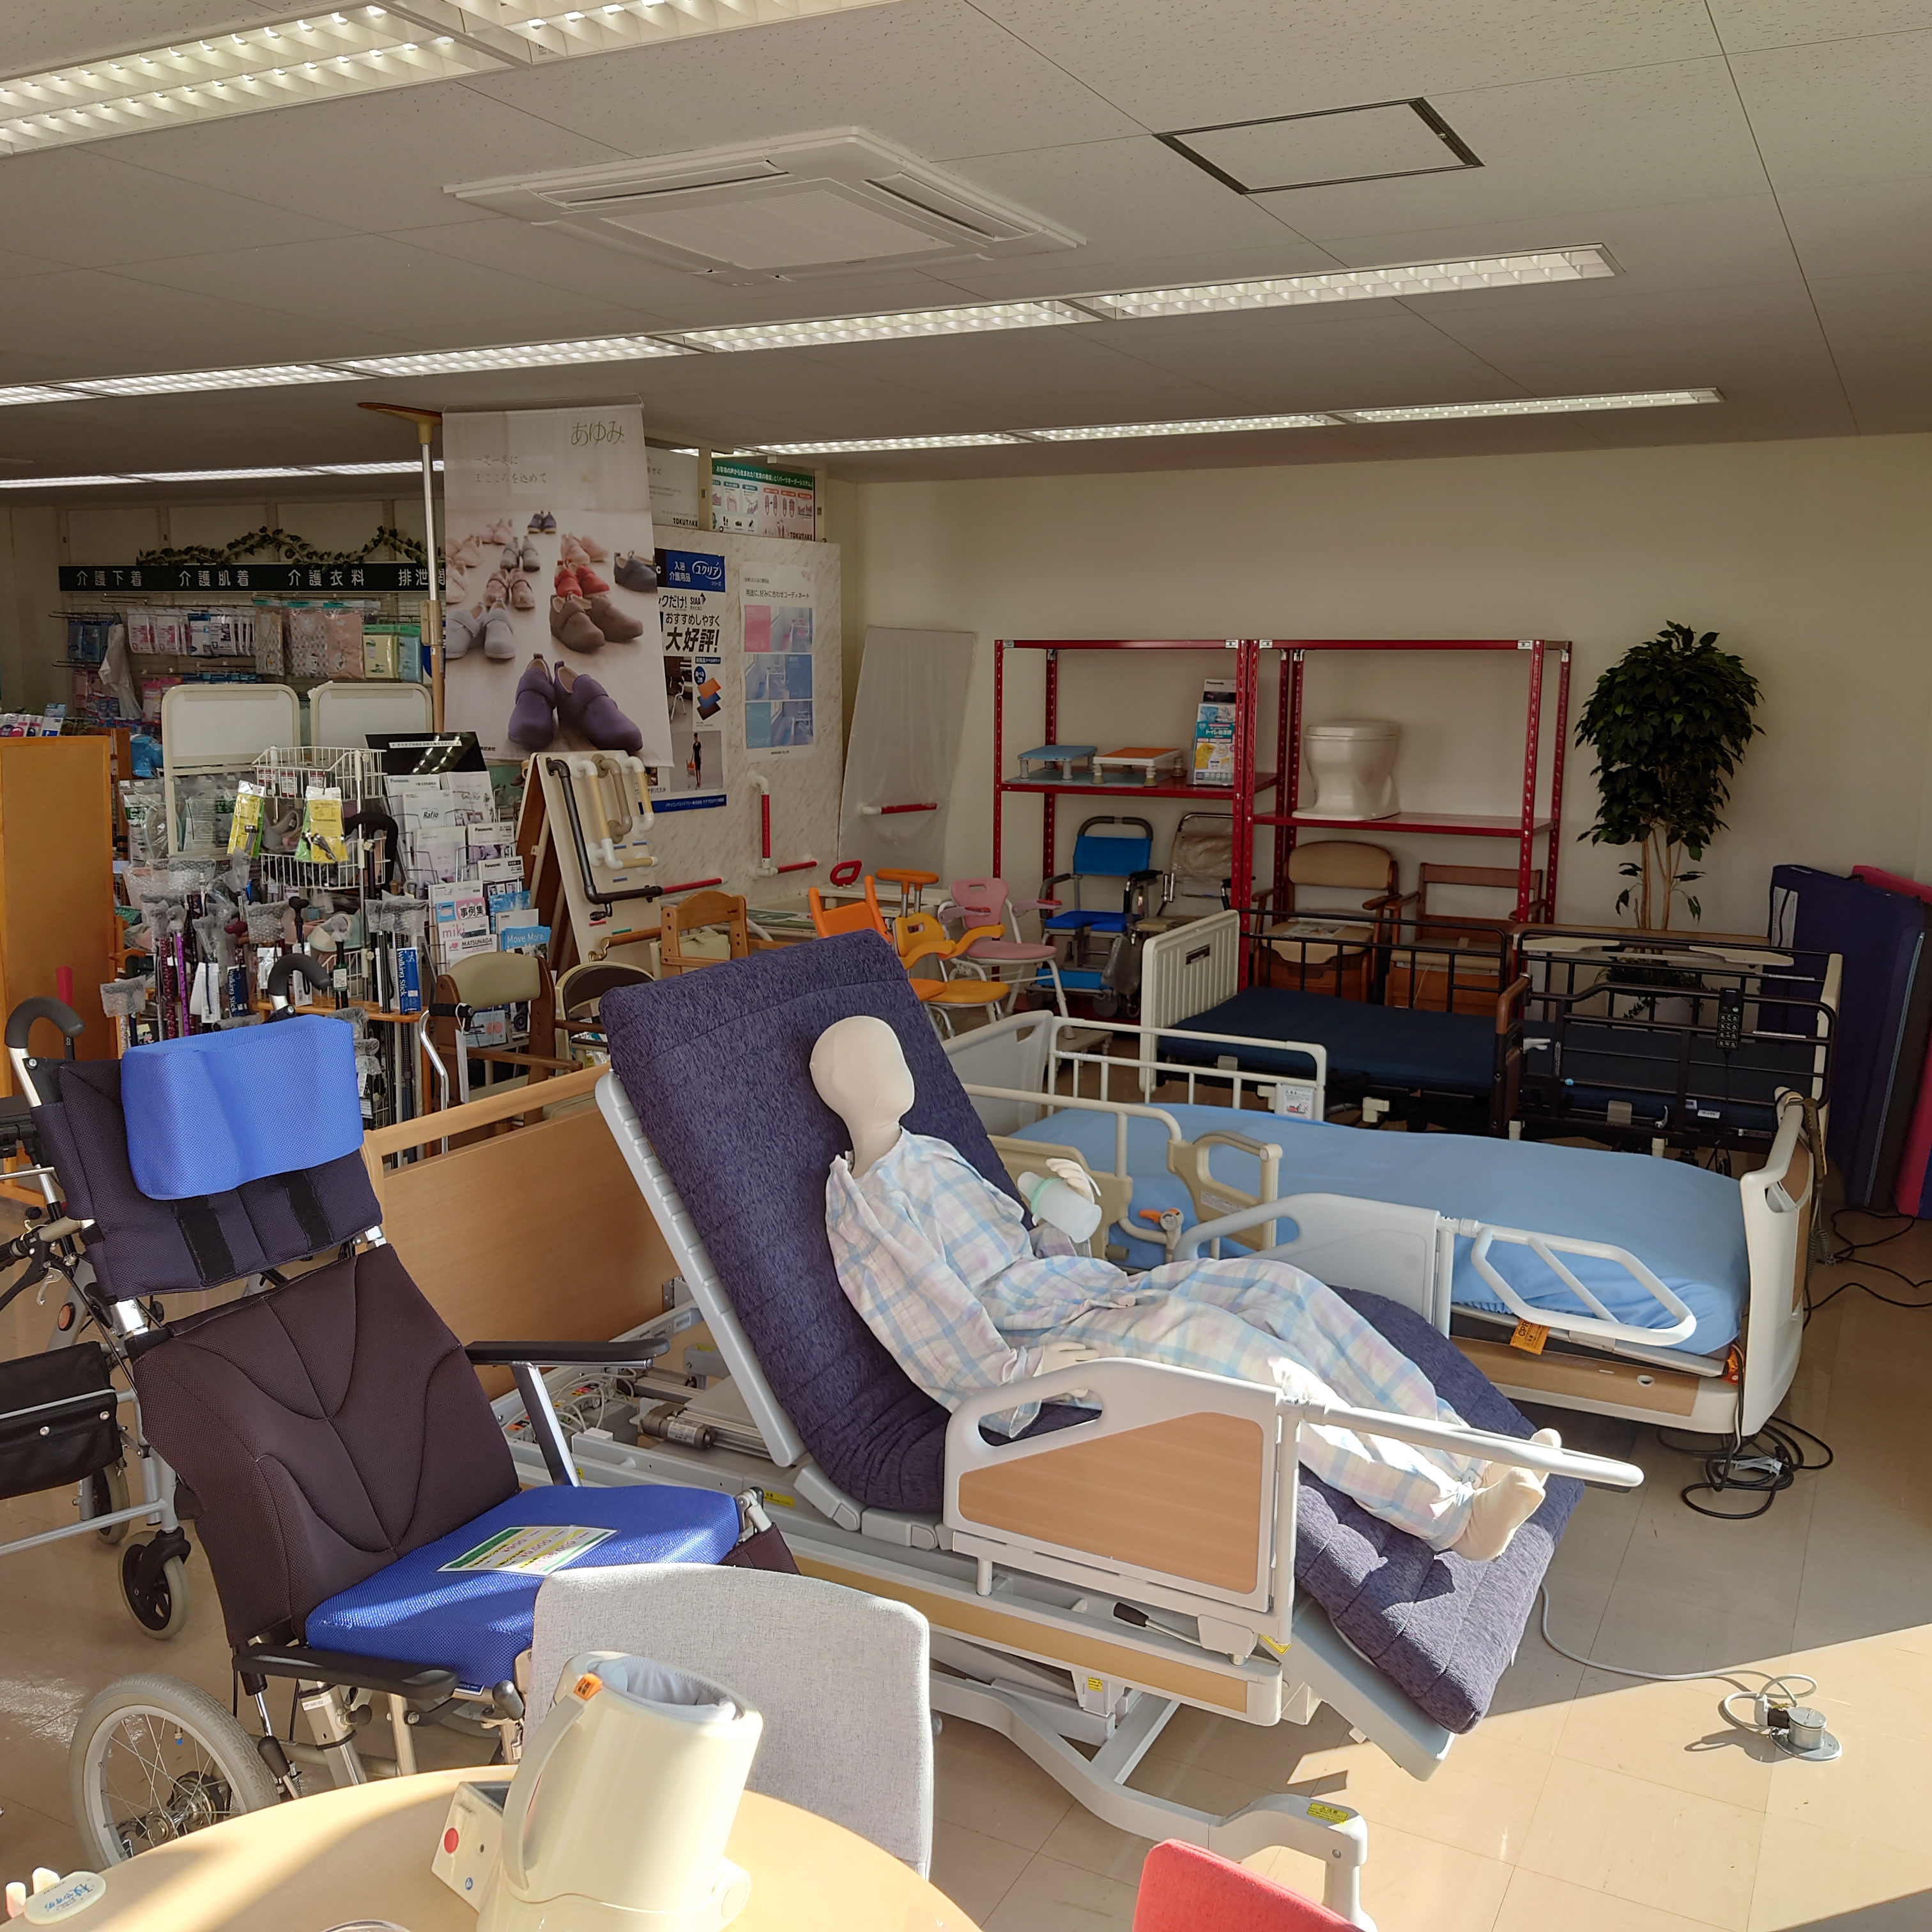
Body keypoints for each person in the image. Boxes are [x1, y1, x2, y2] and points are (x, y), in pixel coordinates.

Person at [811, 1015, 1558, 1560]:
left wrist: (1059, 1219)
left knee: (1283, 1289)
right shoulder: (868, 1209)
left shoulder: (931, 1150)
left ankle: (1467, 1452)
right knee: (1253, 1365)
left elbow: (1026, 1244)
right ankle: (1453, 1518)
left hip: (1088, 1287)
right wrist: (1025, 1377)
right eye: (878, 1060)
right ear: (843, 1086)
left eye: (895, 1051)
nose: (900, 1067)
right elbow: (938, 1336)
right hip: (1047, 1339)